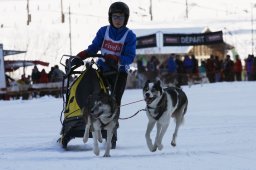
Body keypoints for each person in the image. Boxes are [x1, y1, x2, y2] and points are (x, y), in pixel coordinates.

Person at [71, 2, 136, 149]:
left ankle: (112, 134)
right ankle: (92, 125)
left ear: (126, 19)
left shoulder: (129, 35)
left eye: (121, 17)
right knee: (95, 98)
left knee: (114, 101)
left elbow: (130, 57)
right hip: (102, 70)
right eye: (115, 16)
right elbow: (94, 48)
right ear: (110, 17)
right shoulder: (103, 31)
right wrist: (81, 55)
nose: (117, 19)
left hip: (119, 73)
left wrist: (117, 59)